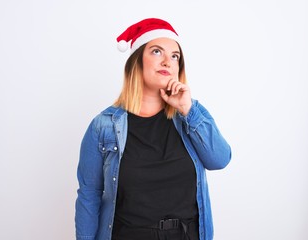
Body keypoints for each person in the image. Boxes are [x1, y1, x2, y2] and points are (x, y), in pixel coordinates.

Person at [75, 18, 232, 240]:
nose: (168, 61)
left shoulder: (190, 115)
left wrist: (188, 109)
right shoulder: (104, 125)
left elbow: (220, 159)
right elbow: (89, 195)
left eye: (175, 56)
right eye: (157, 52)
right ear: (136, 61)